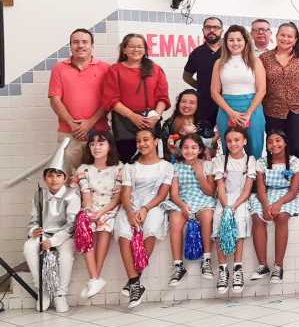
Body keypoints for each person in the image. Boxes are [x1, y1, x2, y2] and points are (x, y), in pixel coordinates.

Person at [114, 128, 173, 308]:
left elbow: (162, 194)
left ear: (156, 141)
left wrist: (146, 208)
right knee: (123, 231)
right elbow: (125, 194)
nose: (142, 144)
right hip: (132, 205)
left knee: (151, 228)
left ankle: (135, 278)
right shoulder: (130, 167)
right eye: (139, 141)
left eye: (146, 139)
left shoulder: (166, 166)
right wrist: (130, 212)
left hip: (154, 204)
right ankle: (134, 281)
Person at [25, 143, 79, 313]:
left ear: (65, 178)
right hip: (44, 234)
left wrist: (53, 241)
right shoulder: (39, 195)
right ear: (44, 178)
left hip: (64, 236)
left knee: (66, 255)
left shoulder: (72, 195)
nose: (54, 179)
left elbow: (71, 224)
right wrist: (33, 231)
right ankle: (43, 289)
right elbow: (34, 220)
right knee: (29, 247)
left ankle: (60, 293)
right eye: (50, 175)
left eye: (58, 175)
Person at [48, 28, 109, 174]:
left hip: (99, 133)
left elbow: (108, 100)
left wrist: (89, 123)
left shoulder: (106, 68)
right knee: (69, 177)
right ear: (70, 46)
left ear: (92, 45)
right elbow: (55, 100)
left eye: (84, 42)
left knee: (98, 177)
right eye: (76, 42)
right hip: (69, 134)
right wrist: (73, 125)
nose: (80, 45)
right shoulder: (59, 69)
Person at [250, 130, 299, 284]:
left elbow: (293, 191)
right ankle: (262, 265)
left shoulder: (295, 162)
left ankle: (278, 266)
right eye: (270, 142)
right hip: (267, 195)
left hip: (287, 196)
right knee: (257, 218)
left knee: (282, 217)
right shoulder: (262, 162)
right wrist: (265, 206)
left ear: (285, 143)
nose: (274, 144)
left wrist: (278, 204)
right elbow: (261, 188)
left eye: (278, 140)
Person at [102, 34, 170, 163]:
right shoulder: (115, 70)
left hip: (151, 122)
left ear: (145, 50)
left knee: (152, 162)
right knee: (128, 161)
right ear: (124, 50)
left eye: (139, 46)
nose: (136, 49)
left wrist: (156, 116)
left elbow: (163, 97)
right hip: (124, 124)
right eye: (131, 46)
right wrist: (132, 116)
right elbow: (111, 100)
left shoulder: (156, 69)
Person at [165, 133, 217, 285]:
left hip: (203, 199)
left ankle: (206, 260)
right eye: (186, 147)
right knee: (175, 220)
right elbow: (174, 194)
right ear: (181, 149)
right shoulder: (176, 167)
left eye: (194, 148)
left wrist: (200, 174)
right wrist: (182, 206)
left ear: (200, 149)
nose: (189, 151)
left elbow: (210, 191)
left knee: (207, 216)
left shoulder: (207, 165)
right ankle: (178, 266)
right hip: (183, 200)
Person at [74, 132, 121, 299]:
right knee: (83, 224)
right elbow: (86, 196)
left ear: (109, 146)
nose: (96, 147)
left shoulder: (119, 168)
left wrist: (101, 213)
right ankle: (95, 278)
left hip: (109, 208)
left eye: (101, 143)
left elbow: (116, 198)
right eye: (92, 144)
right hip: (91, 207)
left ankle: (94, 278)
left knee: (104, 225)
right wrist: (89, 211)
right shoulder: (83, 169)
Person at [261, 22, 299, 161]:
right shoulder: (264, 58)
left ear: (295, 39)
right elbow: (260, 84)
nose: (285, 39)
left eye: (290, 36)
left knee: (297, 149)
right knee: (274, 149)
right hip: (272, 111)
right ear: (276, 36)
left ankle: (298, 176)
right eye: (282, 35)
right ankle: (274, 175)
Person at [211, 25, 267, 158]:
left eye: (239, 40)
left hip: (252, 109)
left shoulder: (255, 62)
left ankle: (254, 172)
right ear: (225, 42)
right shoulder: (219, 63)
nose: (235, 43)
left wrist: (248, 114)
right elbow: (214, 92)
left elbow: (262, 90)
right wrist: (231, 113)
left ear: (246, 41)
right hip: (227, 109)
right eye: (231, 40)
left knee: (254, 148)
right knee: (229, 149)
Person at [213, 127, 256, 294]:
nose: (233, 143)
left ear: (244, 141)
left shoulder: (249, 160)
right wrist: (226, 207)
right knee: (219, 223)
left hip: (241, 200)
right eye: (229, 141)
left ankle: (238, 269)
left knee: (239, 222)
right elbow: (220, 186)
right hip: (224, 199)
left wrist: (235, 206)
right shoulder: (221, 160)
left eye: (237, 140)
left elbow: (247, 189)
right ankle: (223, 269)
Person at [183, 16, 223, 128]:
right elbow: (186, 77)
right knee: (204, 136)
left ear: (221, 31)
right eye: (208, 27)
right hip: (204, 106)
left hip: (227, 104)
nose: (211, 30)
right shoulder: (197, 53)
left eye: (215, 27)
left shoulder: (229, 51)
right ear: (203, 30)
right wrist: (202, 87)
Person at [164, 89, 203, 162]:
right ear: (178, 103)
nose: (187, 105)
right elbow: (162, 149)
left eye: (192, 103)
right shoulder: (169, 123)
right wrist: (169, 147)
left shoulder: (203, 125)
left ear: (198, 106)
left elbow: (208, 149)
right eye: (184, 101)